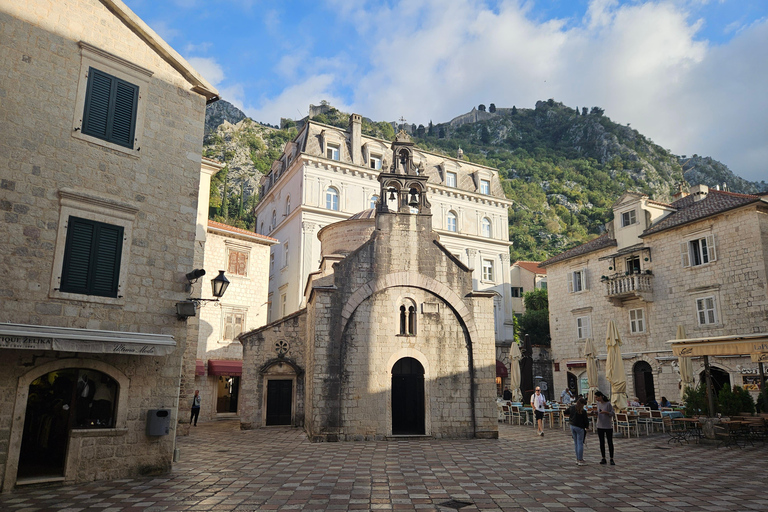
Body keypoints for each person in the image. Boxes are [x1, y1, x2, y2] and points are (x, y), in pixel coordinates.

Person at [564, 397, 589, 465]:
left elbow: (565, 412)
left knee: (576, 443)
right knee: (580, 443)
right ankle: (580, 459)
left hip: (572, 425)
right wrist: (587, 426)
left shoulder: (572, 407)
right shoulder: (583, 411)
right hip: (580, 427)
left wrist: (570, 417)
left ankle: (577, 459)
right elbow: (586, 420)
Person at [594, 391, 615, 465]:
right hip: (600, 425)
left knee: (610, 442)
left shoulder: (608, 404)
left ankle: (611, 458)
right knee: (601, 442)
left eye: (597, 397)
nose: (596, 399)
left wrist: (606, 412)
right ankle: (603, 457)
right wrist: (596, 413)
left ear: (601, 396)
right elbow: (599, 413)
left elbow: (613, 413)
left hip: (608, 425)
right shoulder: (598, 404)